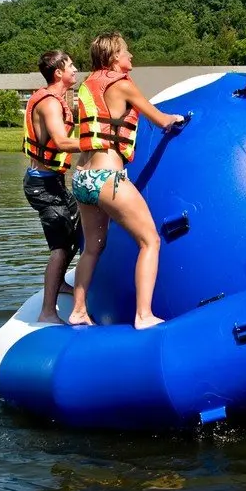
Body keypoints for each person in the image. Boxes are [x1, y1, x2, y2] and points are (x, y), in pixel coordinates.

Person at [70, 32, 186, 329]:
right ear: (113, 57)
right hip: (108, 177)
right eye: (126, 51)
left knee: (93, 247)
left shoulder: (87, 85)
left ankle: (79, 310)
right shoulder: (122, 85)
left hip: (82, 178)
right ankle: (143, 315)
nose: (130, 55)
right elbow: (161, 120)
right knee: (150, 240)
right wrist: (179, 119)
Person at [23, 50, 82, 324]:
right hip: (41, 185)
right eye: (70, 65)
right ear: (58, 72)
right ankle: (47, 311)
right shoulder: (48, 103)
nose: (74, 68)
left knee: (77, 229)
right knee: (60, 245)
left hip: (53, 182)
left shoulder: (60, 99)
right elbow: (60, 141)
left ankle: (59, 284)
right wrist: (103, 143)